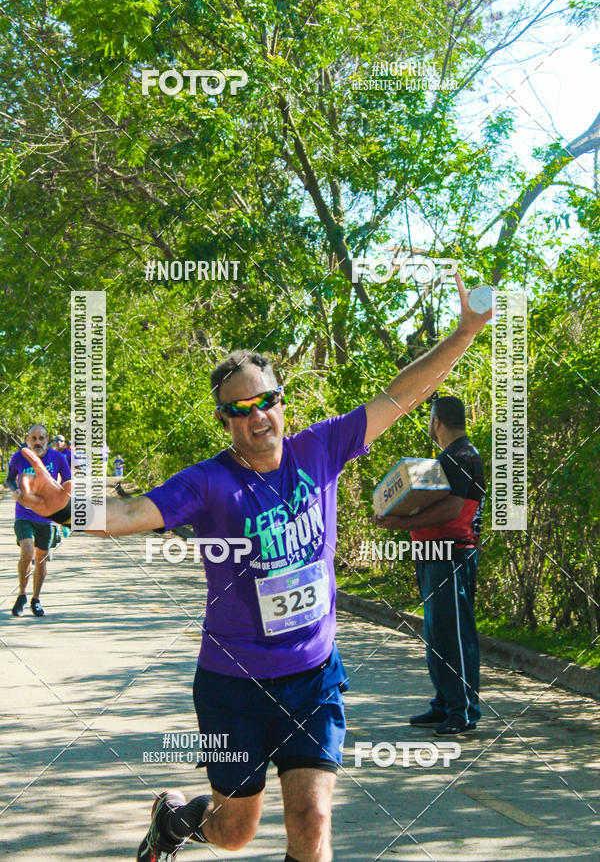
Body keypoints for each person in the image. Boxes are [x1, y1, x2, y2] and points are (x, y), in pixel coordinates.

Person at [14, 274, 490, 862]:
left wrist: (465, 333)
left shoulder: (321, 448)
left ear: (282, 402)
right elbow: (134, 512)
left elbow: (401, 397)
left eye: (265, 401)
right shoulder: (208, 482)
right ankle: (173, 821)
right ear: (225, 421)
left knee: (312, 823)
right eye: (240, 409)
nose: (257, 416)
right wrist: (67, 510)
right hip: (233, 684)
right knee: (234, 831)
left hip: (313, 676)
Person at [376, 395, 485, 736]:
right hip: (433, 553)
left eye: (429, 419)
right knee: (436, 632)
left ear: (437, 421)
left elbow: (453, 509)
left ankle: (463, 710)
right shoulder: (447, 457)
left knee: (453, 633)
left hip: (452, 553)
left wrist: (402, 523)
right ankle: (444, 703)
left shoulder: (462, 456)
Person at [5, 425, 71, 617]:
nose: (37, 442)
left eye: (41, 438)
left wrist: (60, 495)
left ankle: (35, 599)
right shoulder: (18, 457)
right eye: (33, 438)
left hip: (47, 517)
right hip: (24, 514)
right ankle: (21, 595)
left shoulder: (57, 458)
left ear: (46, 440)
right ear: (28, 440)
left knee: (41, 561)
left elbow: (68, 480)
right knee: (27, 551)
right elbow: (10, 479)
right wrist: (15, 490)